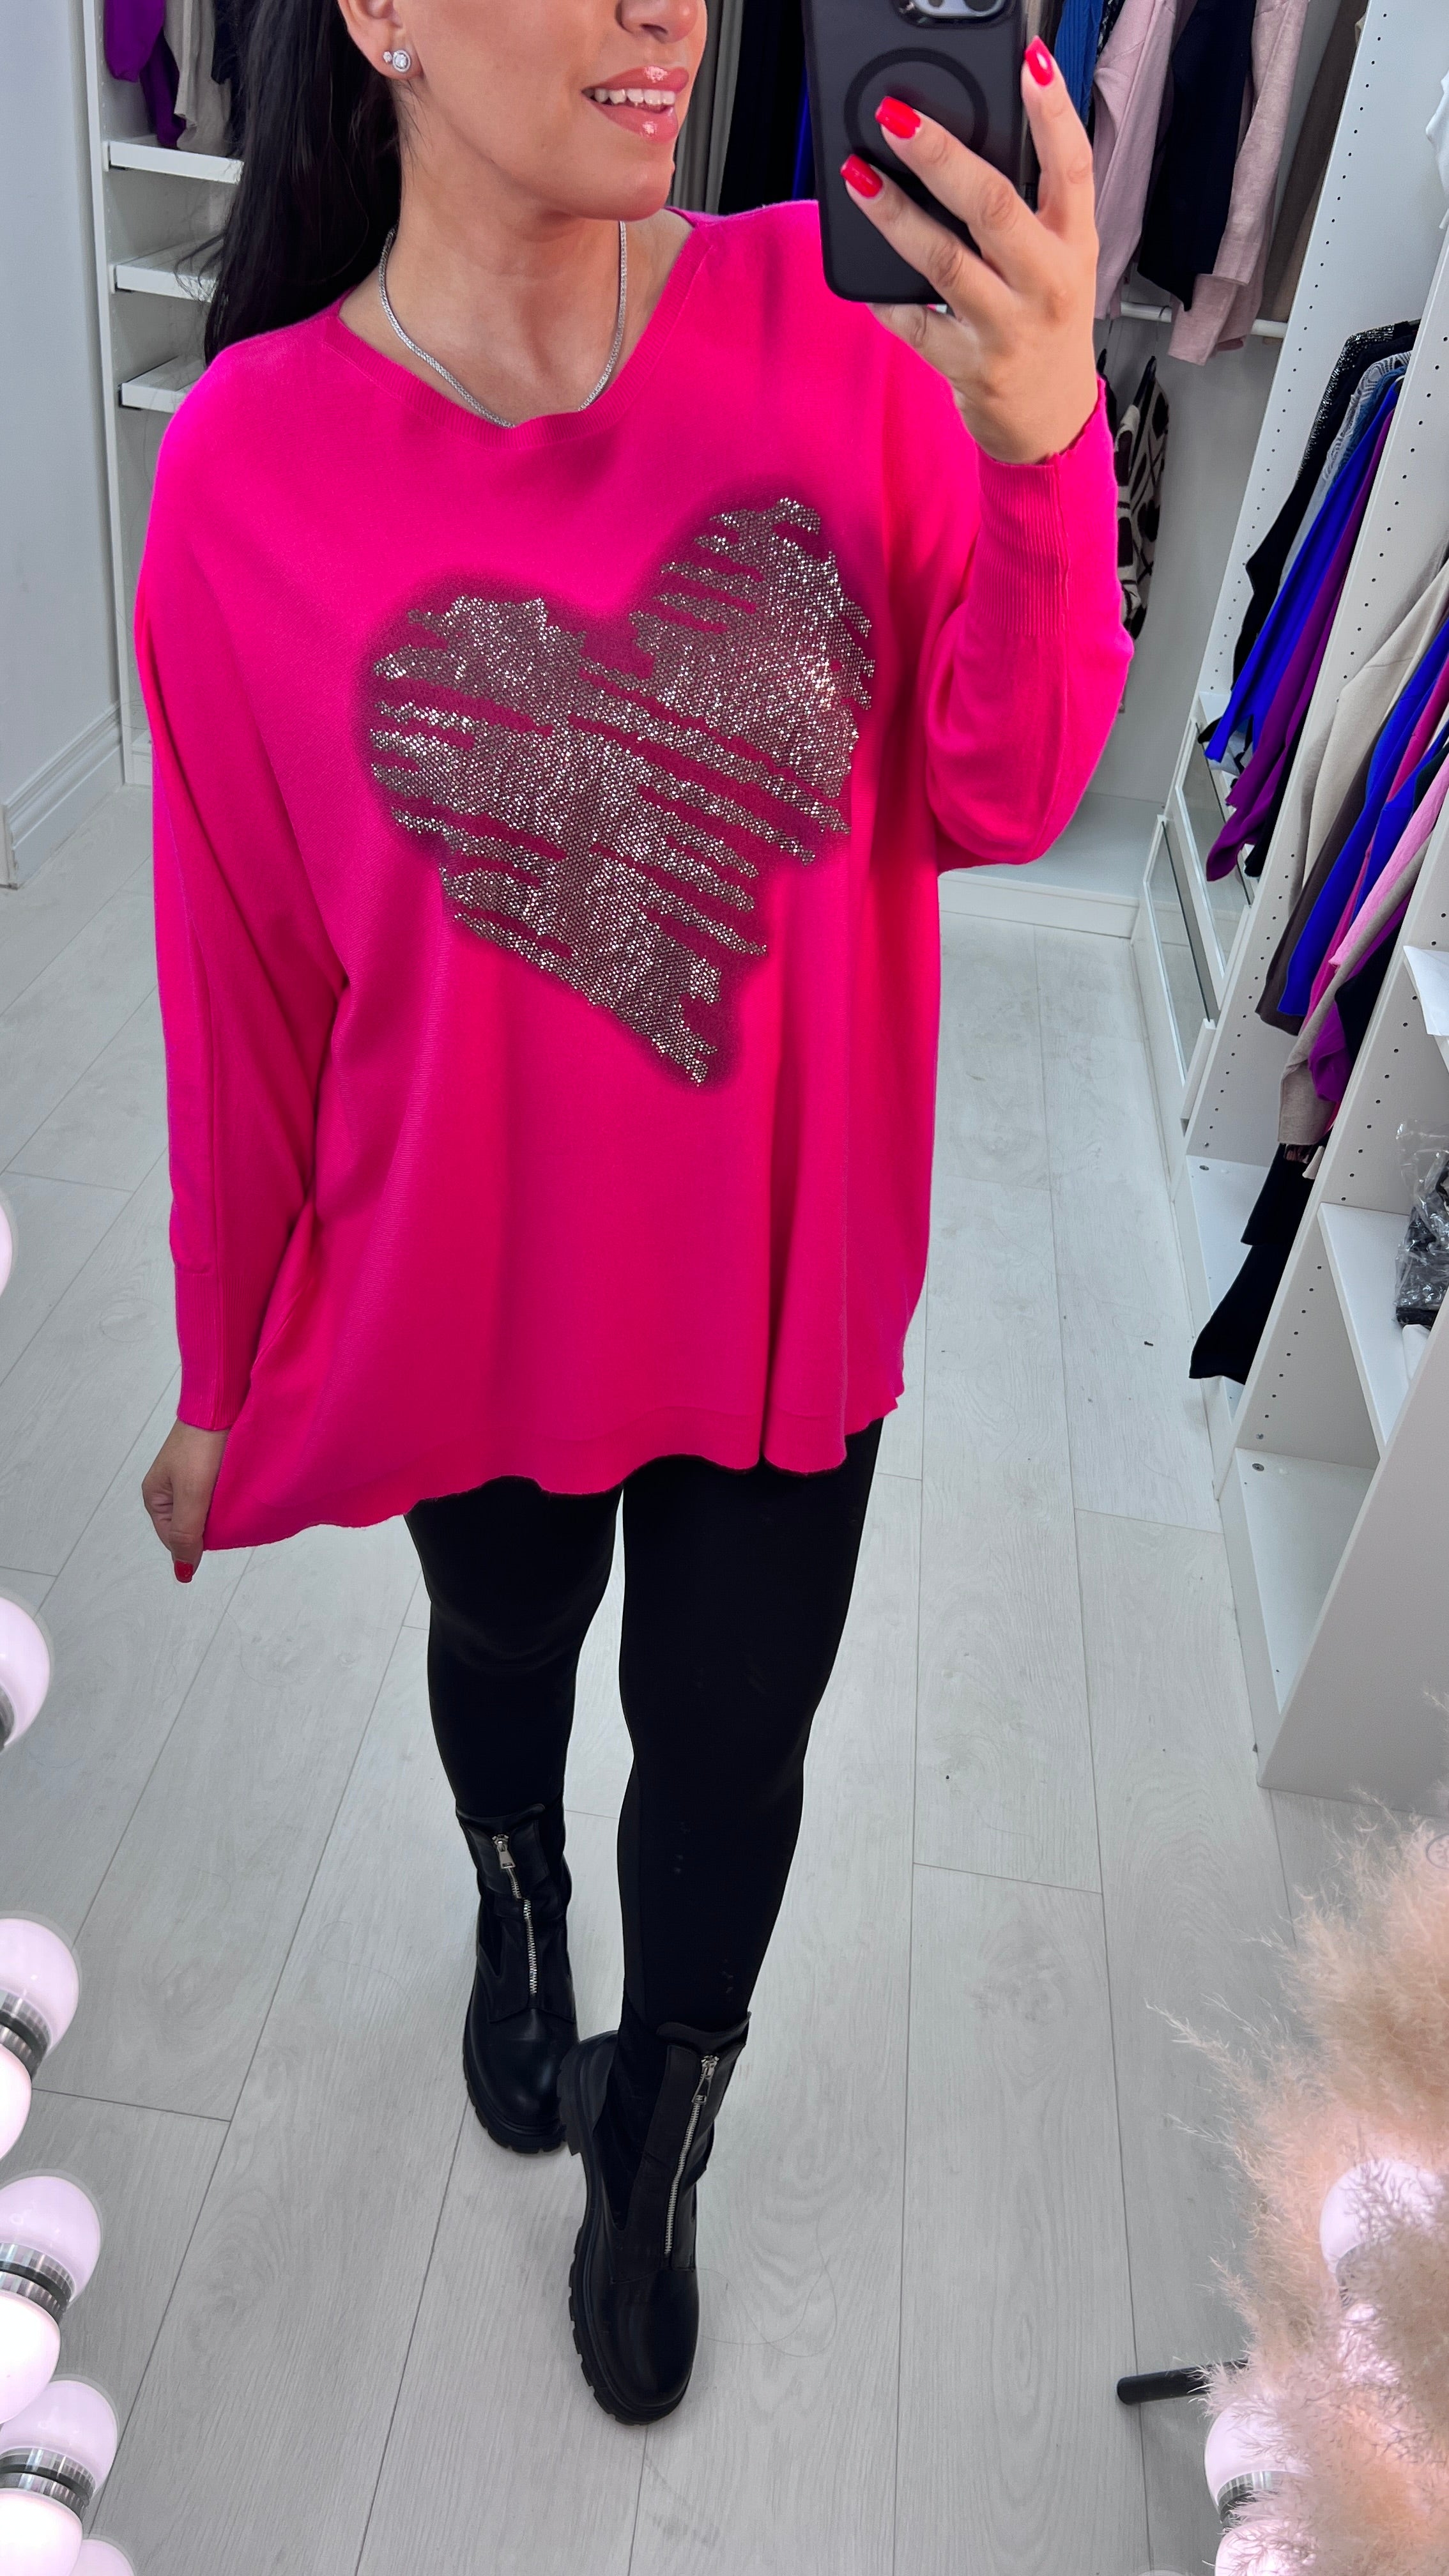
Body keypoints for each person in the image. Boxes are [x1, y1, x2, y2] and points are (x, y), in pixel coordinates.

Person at [137, 0, 1128, 2428]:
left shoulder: (854, 342)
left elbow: (1002, 794)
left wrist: (1044, 449)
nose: (659, 5)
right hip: (467, 1283)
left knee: (727, 1744)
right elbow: (242, 976)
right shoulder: (248, 462)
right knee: (500, 1636)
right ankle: (516, 1909)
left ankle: (653, 2153)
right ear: (378, 12)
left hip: (783, 1288)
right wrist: (217, 1371)